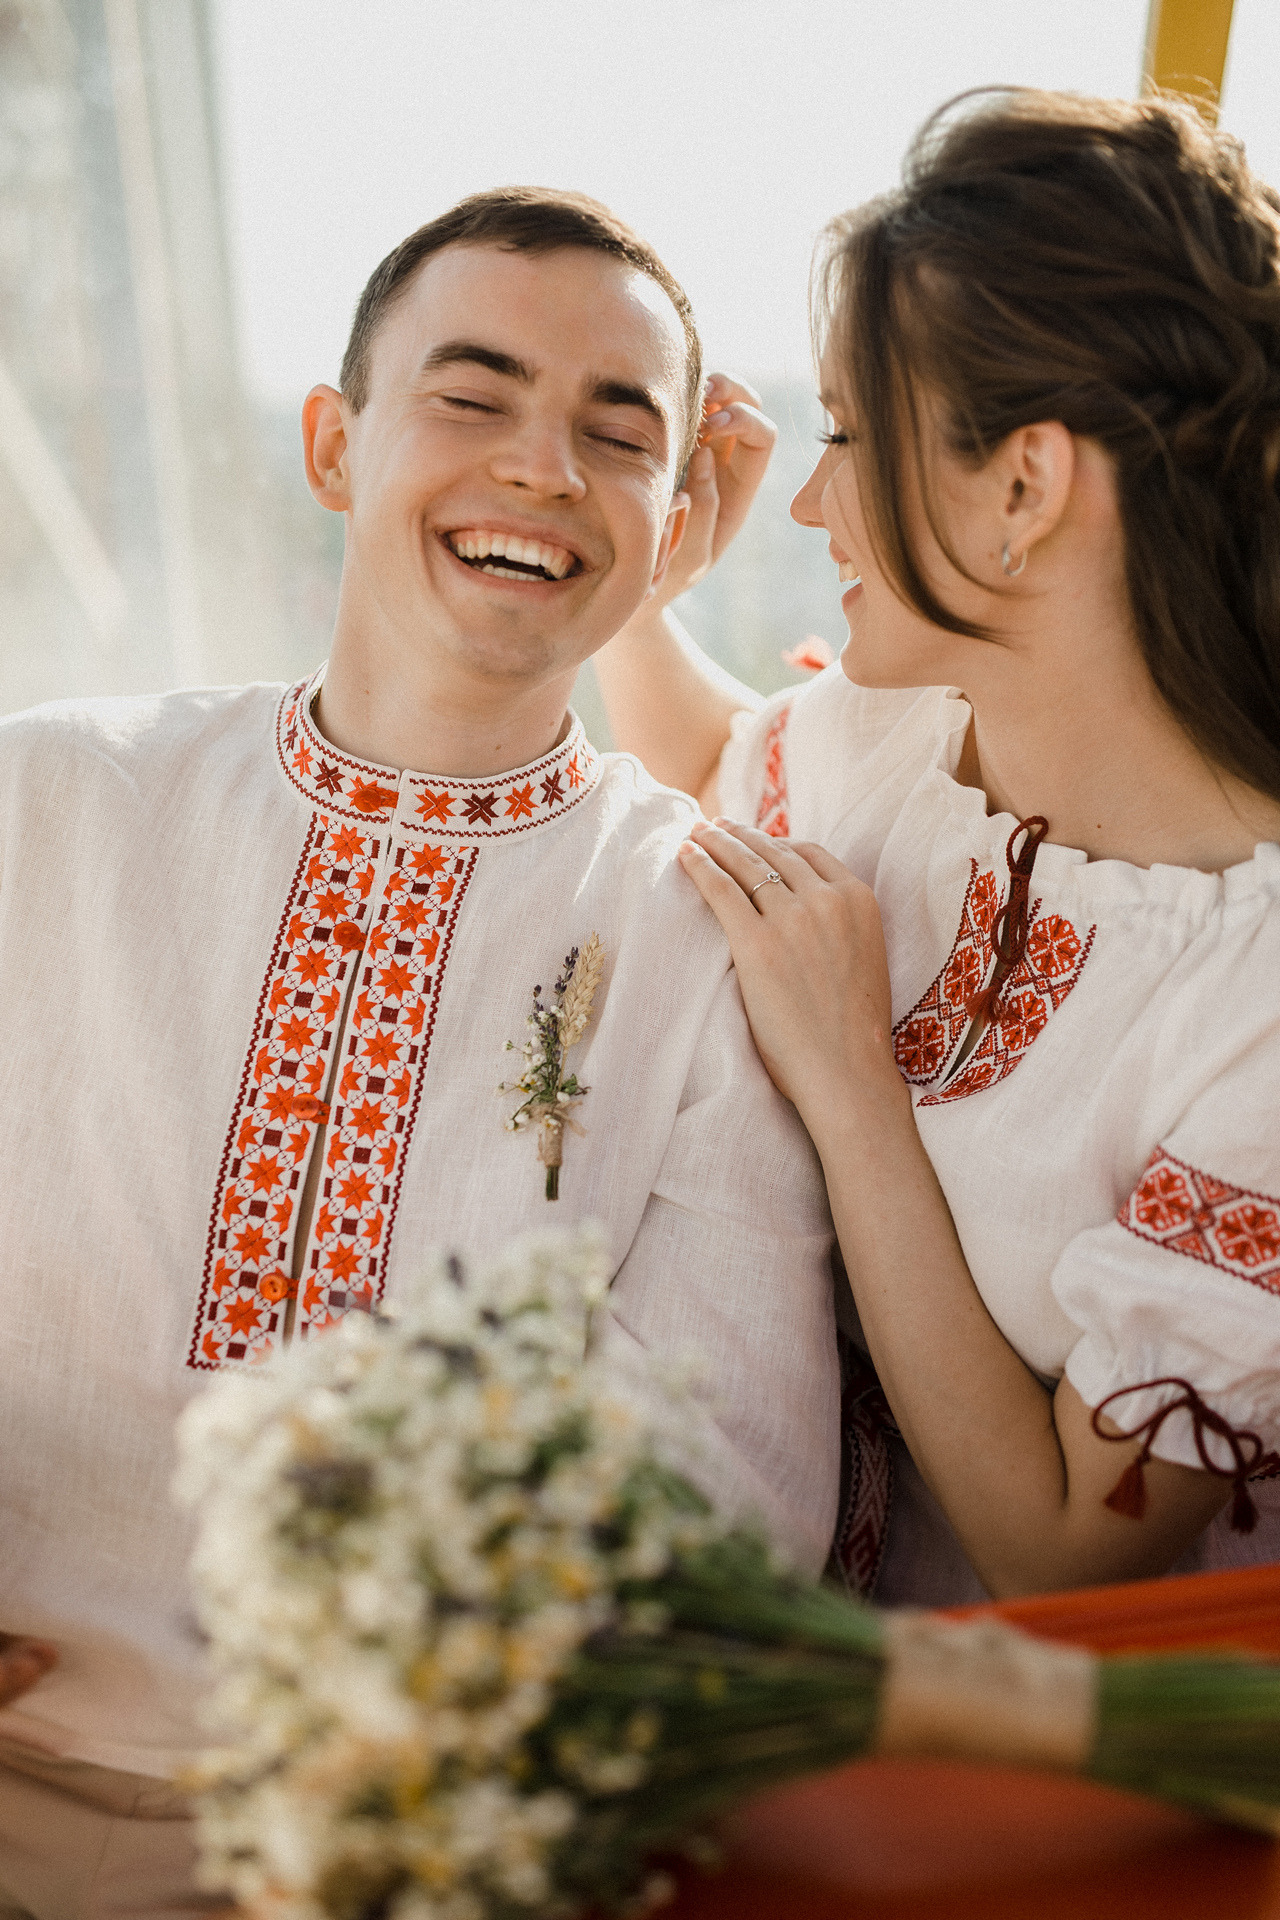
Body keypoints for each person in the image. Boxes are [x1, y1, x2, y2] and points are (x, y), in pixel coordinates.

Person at [0, 189, 839, 1917]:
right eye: (472, 397)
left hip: (437, 1840)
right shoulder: (46, 796)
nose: (541, 468)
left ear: (674, 525)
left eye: (617, 432)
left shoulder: (701, 930)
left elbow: (737, 1487)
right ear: (331, 444)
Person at [596, 90, 1280, 1606]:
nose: (811, 497)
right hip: (801, 1683)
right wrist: (644, 599)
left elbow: (1062, 1552)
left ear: (1024, 489)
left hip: (1075, 1780)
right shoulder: (895, 740)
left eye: (848, 435)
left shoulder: (1262, 1003)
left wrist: (854, 1093)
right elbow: (719, 764)